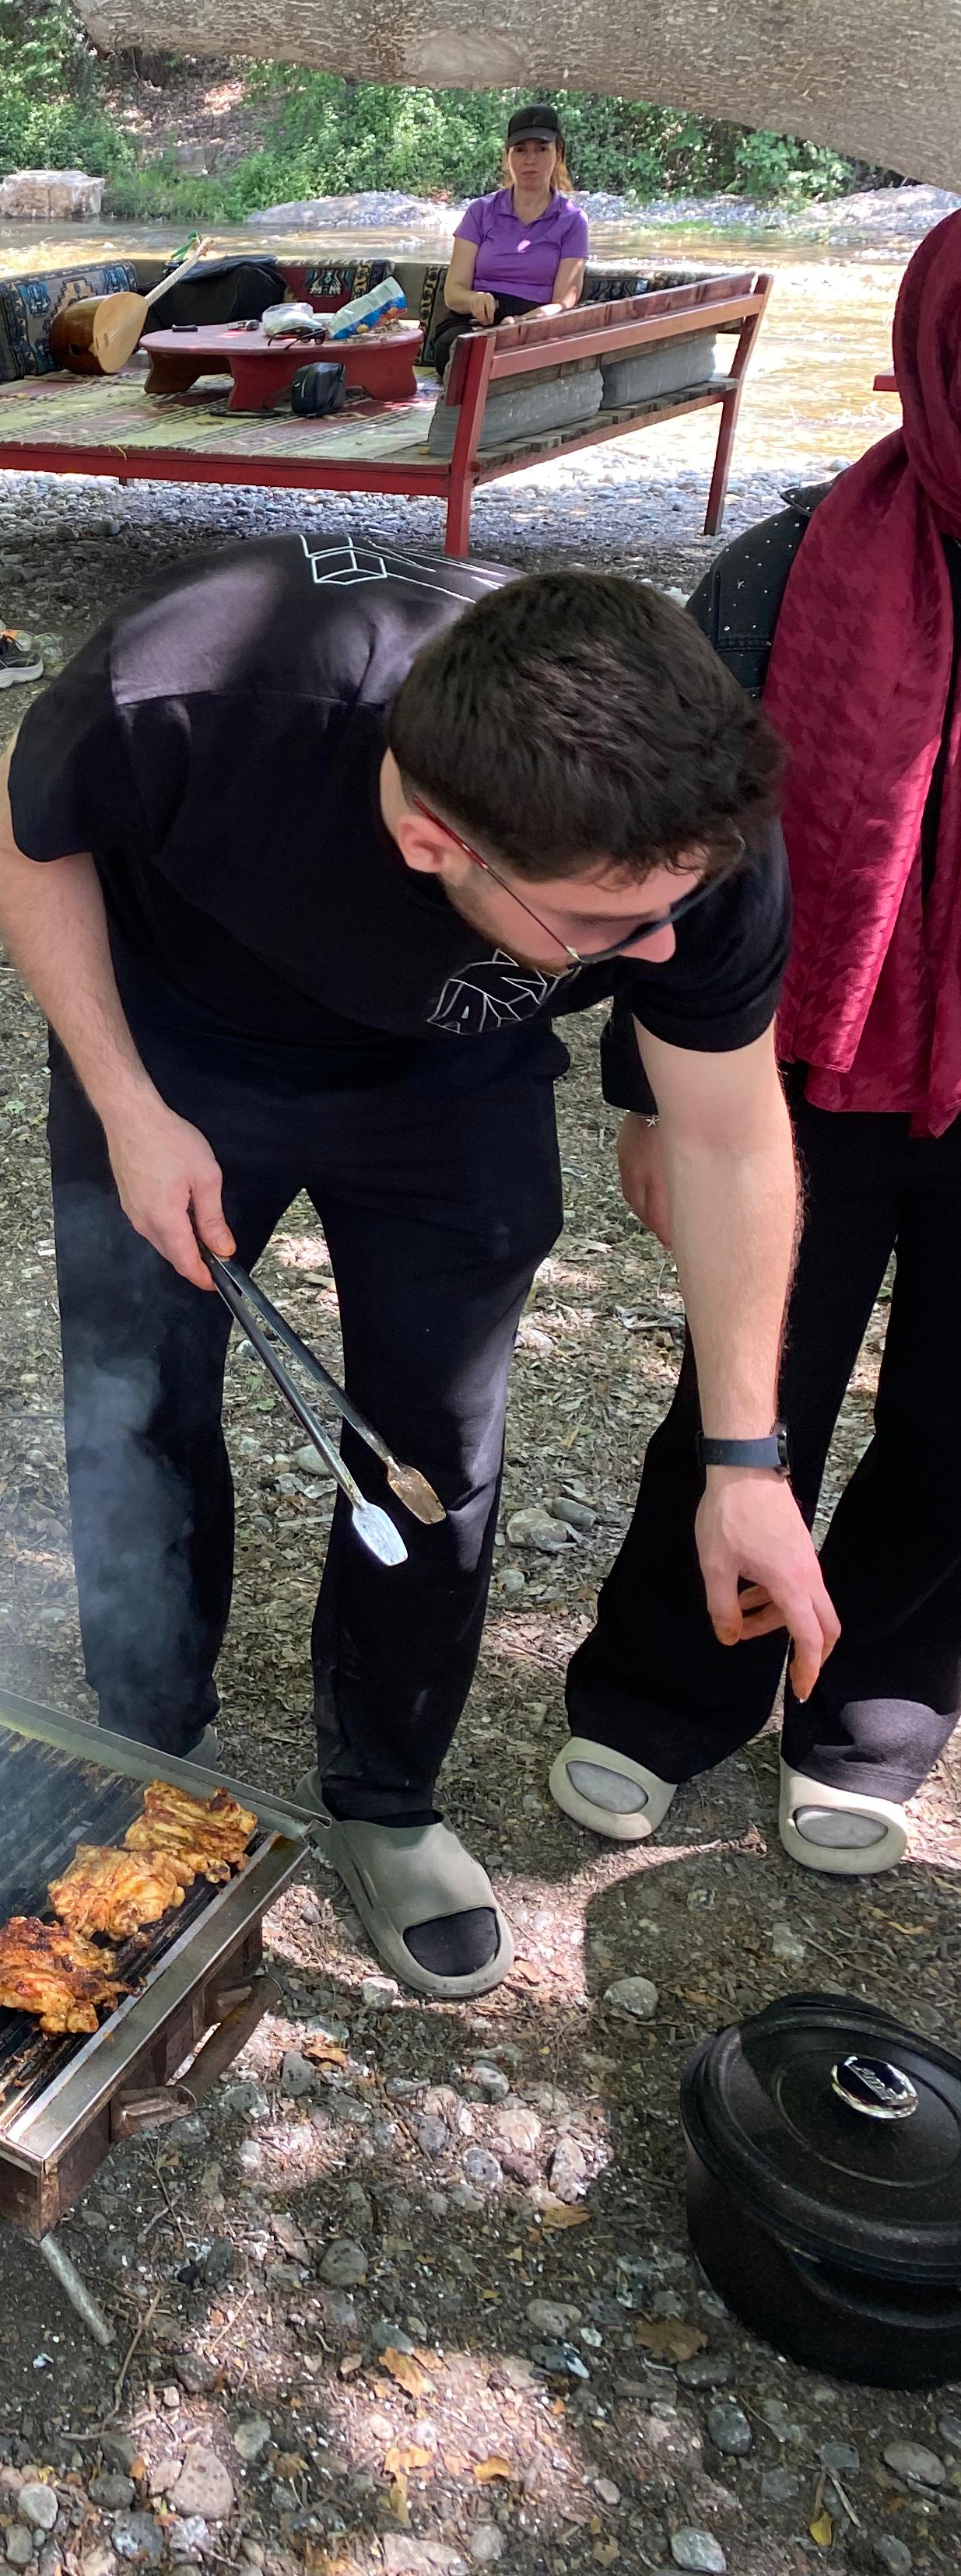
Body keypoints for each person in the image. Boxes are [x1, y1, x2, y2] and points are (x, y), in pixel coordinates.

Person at [0, 536, 824, 2000]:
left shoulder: (683, 841)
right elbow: (20, 830)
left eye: (672, 908)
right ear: (436, 841)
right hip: (178, 1045)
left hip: (453, 1075)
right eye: (606, 925)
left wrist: (743, 1463)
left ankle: (385, 1793)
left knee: (434, 1439)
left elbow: (731, 1138)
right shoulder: (190, 690)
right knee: (137, 1398)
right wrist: (125, 1103)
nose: (658, 950)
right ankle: (148, 1740)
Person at [555, 215, 961, 1877]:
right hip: (803, 1066)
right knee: (749, 1387)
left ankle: (873, 1711)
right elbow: (674, 850)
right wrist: (647, 1099)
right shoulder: (792, 563)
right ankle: (666, 1691)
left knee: (957, 1418)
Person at [426, 103, 589, 377]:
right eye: (520, 150)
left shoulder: (573, 221)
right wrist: (475, 300)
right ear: (507, 157)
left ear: (559, 154)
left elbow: (564, 302)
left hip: (535, 325)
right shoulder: (480, 212)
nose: (530, 160)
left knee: (520, 358)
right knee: (460, 351)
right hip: (474, 322)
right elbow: (453, 292)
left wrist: (521, 323)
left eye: (541, 149)